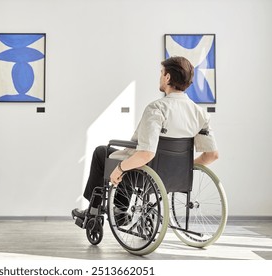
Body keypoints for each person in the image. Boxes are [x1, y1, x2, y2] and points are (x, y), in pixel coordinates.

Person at [72, 56, 219, 219]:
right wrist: (182, 166)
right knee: (130, 159)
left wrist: (120, 169)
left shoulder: (157, 108)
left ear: (168, 77)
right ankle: (119, 210)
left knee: (102, 153)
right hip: (177, 176)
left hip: (147, 174)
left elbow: (146, 154)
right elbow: (212, 155)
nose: (160, 76)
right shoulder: (200, 113)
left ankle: (94, 212)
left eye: (161, 73)